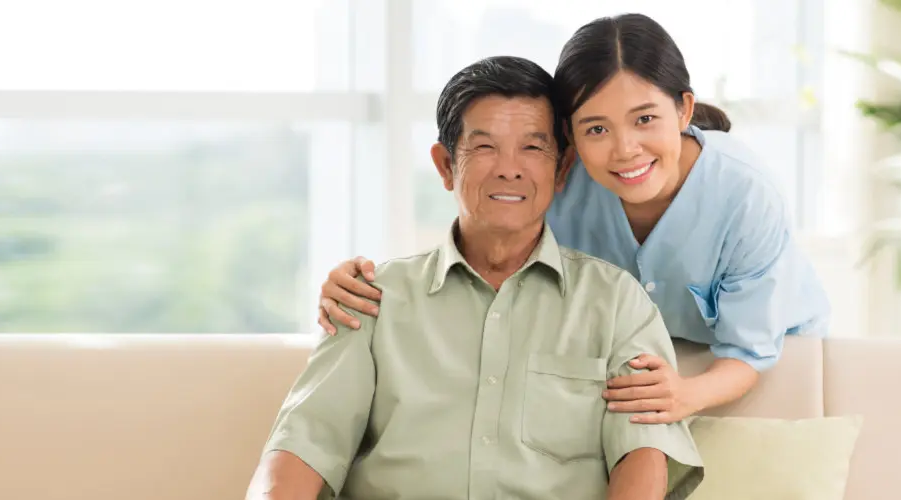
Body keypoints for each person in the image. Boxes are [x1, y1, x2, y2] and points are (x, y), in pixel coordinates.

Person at [318, 13, 831, 425]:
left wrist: (685, 394)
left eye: (645, 119)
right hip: (628, 356)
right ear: (569, 135)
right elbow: (483, 251)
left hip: (762, 359)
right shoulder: (560, 179)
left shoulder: (744, 193)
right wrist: (366, 288)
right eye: (596, 129)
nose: (625, 150)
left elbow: (749, 350)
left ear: (683, 109)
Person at [246, 56, 703, 500]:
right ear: (446, 166)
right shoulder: (369, 298)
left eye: (532, 147)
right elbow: (302, 447)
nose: (509, 168)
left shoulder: (616, 301)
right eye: (484, 147)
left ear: (562, 167)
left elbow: (643, 454)